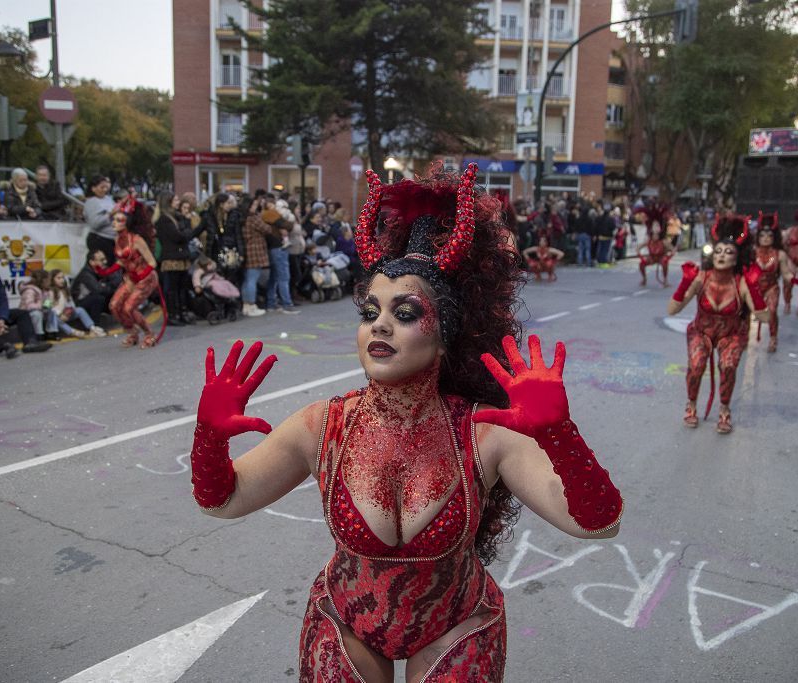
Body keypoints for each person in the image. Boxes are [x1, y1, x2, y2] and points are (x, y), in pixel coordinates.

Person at [187, 164, 622, 680]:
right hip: (345, 624)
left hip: (457, 626)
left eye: (407, 312)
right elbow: (224, 501)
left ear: (446, 335)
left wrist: (559, 435)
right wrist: (208, 438)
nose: (381, 325)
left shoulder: (485, 433)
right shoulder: (322, 425)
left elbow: (597, 523)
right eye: (370, 311)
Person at [667, 214, 768, 433]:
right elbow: (672, 309)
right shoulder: (701, 278)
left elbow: (764, 317)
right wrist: (684, 283)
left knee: (729, 366)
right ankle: (691, 404)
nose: (722, 256)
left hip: (731, 334)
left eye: (728, 252)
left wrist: (754, 289)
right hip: (701, 331)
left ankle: (724, 409)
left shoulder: (740, 282)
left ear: (737, 258)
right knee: (696, 366)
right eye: (718, 251)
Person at [102, 207, 161, 348]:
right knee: (114, 306)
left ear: (126, 223)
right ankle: (132, 332)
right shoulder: (118, 239)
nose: (114, 223)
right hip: (130, 278)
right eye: (114, 220)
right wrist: (107, 271)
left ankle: (149, 334)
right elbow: (122, 260)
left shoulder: (137, 240)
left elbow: (152, 262)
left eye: (118, 220)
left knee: (129, 308)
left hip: (146, 278)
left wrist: (141, 275)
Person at [153, 192, 194, 326]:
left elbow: (185, 233)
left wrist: (186, 231)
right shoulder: (164, 219)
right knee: (172, 289)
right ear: (169, 202)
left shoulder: (176, 217)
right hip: (171, 258)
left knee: (182, 287)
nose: (178, 202)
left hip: (181, 256)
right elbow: (178, 236)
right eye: (175, 200)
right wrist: (187, 232)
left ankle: (183, 312)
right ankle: (173, 314)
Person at [753, 211, 787, 353]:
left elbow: (786, 273)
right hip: (753, 288)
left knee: (772, 311)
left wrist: (795, 278)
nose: (765, 238)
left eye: (769, 236)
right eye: (762, 235)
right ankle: (741, 336)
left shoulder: (780, 254)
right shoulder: (752, 251)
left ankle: (773, 338)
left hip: (771, 287)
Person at [241, 195, 274, 317]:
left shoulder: (242, 218)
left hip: (246, 250)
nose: (256, 207)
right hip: (255, 251)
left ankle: (246, 305)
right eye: (254, 205)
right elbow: (267, 229)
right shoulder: (253, 218)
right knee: (252, 279)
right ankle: (251, 305)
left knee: (247, 279)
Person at [49, 269, 105, 338]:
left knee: (80, 310)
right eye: (58, 278)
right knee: (54, 317)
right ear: (52, 280)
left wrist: (68, 312)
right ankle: (73, 332)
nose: (62, 280)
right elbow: (47, 307)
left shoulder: (65, 290)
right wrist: (59, 314)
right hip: (58, 316)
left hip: (67, 313)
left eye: (62, 277)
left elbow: (71, 303)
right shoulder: (49, 292)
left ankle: (92, 328)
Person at [71, 250, 121, 324]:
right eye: (101, 260)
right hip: (79, 303)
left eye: (105, 259)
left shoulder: (102, 269)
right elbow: (98, 290)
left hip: (92, 297)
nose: (105, 262)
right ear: (92, 262)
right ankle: (94, 325)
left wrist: (107, 286)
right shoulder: (86, 274)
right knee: (98, 298)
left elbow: (116, 282)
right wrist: (108, 286)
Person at [637, 203, 674, 287]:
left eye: (657, 226)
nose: (655, 228)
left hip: (661, 257)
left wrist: (670, 255)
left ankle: (665, 280)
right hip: (651, 258)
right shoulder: (649, 240)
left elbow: (672, 249)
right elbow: (639, 247)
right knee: (641, 264)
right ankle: (644, 279)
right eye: (654, 226)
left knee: (665, 262)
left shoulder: (664, 241)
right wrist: (639, 252)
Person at [83, 175, 116, 264]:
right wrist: (110, 215)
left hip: (111, 239)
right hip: (100, 239)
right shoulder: (91, 202)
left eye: (106, 187)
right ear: (93, 188)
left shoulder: (108, 199)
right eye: (102, 187)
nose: (105, 190)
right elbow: (94, 223)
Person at [18, 268, 52, 338]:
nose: (50, 282)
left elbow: (46, 305)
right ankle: (38, 335)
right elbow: (28, 305)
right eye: (48, 280)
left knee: (52, 312)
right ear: (43, 280)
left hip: (40, 310)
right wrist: (41, 306)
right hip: (27, 314)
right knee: (36, 314)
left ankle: (51, 332)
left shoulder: (45, 291)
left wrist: (48, 301)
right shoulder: (30, 290)